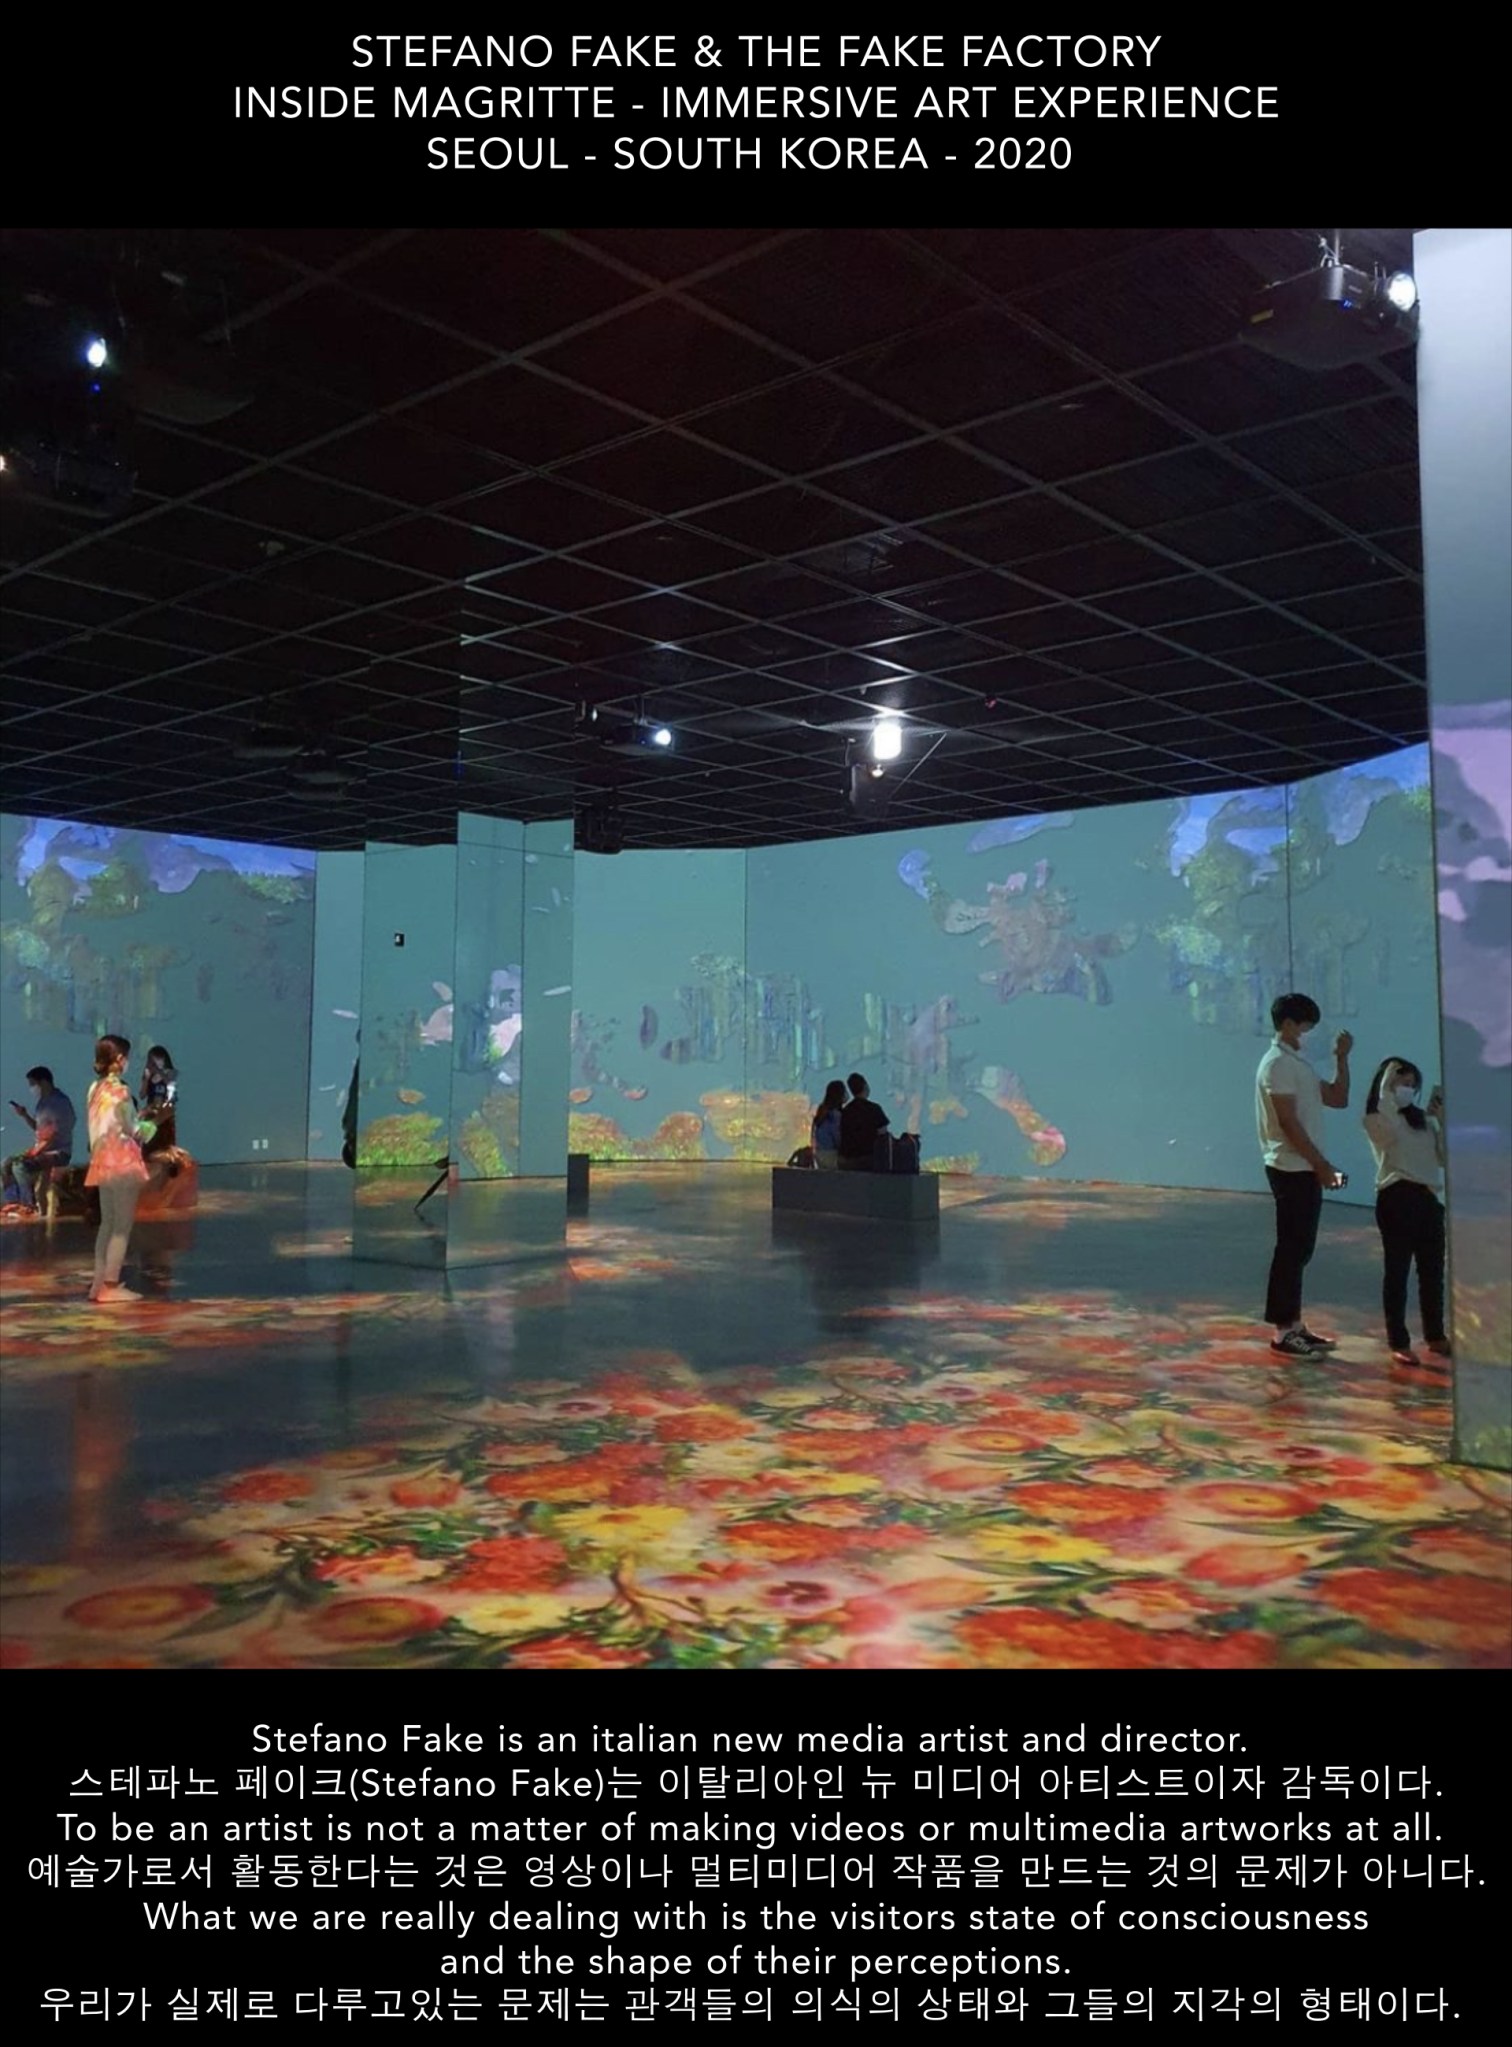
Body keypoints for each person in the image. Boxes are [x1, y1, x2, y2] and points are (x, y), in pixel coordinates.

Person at [1255, 993, 1352, 1359]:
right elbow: (1287, 1121)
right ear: (1288, 1025)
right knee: (1291, 1248)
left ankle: (1294, 1325)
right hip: (1289, 1167)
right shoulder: (1277, 1064)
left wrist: (1342, 1059)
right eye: (1307, 1026)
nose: (1312, 1033)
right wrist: (1321, 1165)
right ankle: (1282, 1332)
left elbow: (1338, 1098)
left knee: (1300, 1249)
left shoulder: (1299, 1064)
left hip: (1304, 1168)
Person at [1363, 1057, 1449, 1366]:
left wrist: (1442, 1121)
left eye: (1413, 1084)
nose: (1408, 1089)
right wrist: (1387, 1089)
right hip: (1397, 1196)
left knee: (1432, 1271)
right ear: (1387, 1084)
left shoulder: (1423, 1121)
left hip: (1428, 1199)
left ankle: (1435, 1334)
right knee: (1397, 1271)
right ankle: (1398, 1340)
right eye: (1402, 1082)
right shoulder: (1378, 1118)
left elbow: (1444, 1158)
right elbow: (1385, 1136)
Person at [86, 1034, 149, 1305]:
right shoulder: (121, 1091)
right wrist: (152, 1123)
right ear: (120, 1059)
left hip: (102, 1161)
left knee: (108, 1224)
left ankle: (98, 1283)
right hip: (123, 1162)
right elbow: (135, 1130)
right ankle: (110, 1286)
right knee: (121, 1227)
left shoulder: (95, 1089)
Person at [3, 1066, 76, 1213]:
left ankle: (28, 1205)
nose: (32, 1088)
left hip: (57, 1152)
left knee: (19, 1166)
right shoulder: (42, 1103)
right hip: (42, 1150)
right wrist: (24, 1115)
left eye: (32, 1084)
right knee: (5, 1164)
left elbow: (53, 1134)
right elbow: (38, 1128)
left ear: (43, 1082)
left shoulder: (59, 1103)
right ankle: (13, 1201)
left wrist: (34, 1152)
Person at [838, 1071, 890, 1170]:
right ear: (865, 1086)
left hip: (848, 1160)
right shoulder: (875, 1109)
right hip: (870, 1159)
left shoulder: (846, 1111)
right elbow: (883, 1134)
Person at [138, 1045, 179, 1156]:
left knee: (166, 1144)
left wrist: (159, 1071)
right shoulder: (149, 1075)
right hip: (151, 1112)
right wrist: (146, 1079)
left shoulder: (171, 1072)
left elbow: (170, 1083)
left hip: (165, 1113)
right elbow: (142, 1095)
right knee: (151, 1145)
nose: (155, 1062)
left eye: (158, 1058)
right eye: (152, 1060)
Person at [811, 1080, 847, 1171]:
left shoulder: (821, 1112)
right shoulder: (835, 1115)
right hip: (832, 1157)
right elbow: (838, 1139)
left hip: (819, 1157)